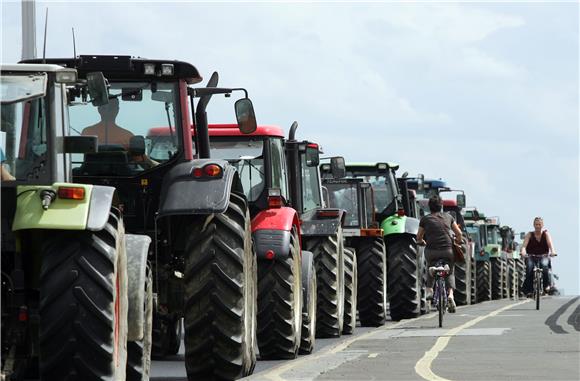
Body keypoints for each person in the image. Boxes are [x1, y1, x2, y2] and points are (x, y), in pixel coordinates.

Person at [417, 195, 463, 313]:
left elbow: (419, 237)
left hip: (431, 251)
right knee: (450, 271)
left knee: (430, 266)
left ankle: (429, 290)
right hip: (447, 251)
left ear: (429, 207)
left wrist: (421, 241)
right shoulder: (449, 217)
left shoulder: (425, 219)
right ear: (441, 206)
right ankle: (450, 296)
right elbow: (459, 234)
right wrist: (458, 241)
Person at [520, 217, 556, 296]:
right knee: (529, 268)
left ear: (542, 225)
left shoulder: (546, 234)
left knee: (545, 266)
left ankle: (546, 286)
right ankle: (529, 290)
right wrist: (523, 252)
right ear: (534, 225)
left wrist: (553, 251)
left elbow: (550, 244)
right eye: (536, 224)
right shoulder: (529, 234)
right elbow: (524, 246)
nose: (538, 226)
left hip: (544, 255)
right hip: (531, 256)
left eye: (539, 224)